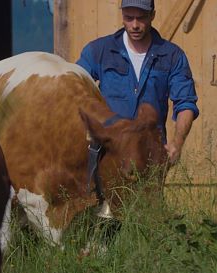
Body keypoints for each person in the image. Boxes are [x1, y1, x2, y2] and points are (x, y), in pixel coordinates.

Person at [76, 0, 199, 164]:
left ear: (152, 16)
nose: (134, 25)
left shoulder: (172, 56)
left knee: (147, 190)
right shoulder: (99, 51)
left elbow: (185, 103)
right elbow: (76, 90)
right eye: (128, 17)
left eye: (141, 18)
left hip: (151, 155)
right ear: (122, 15)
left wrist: (177, 143)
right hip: (107, 154)